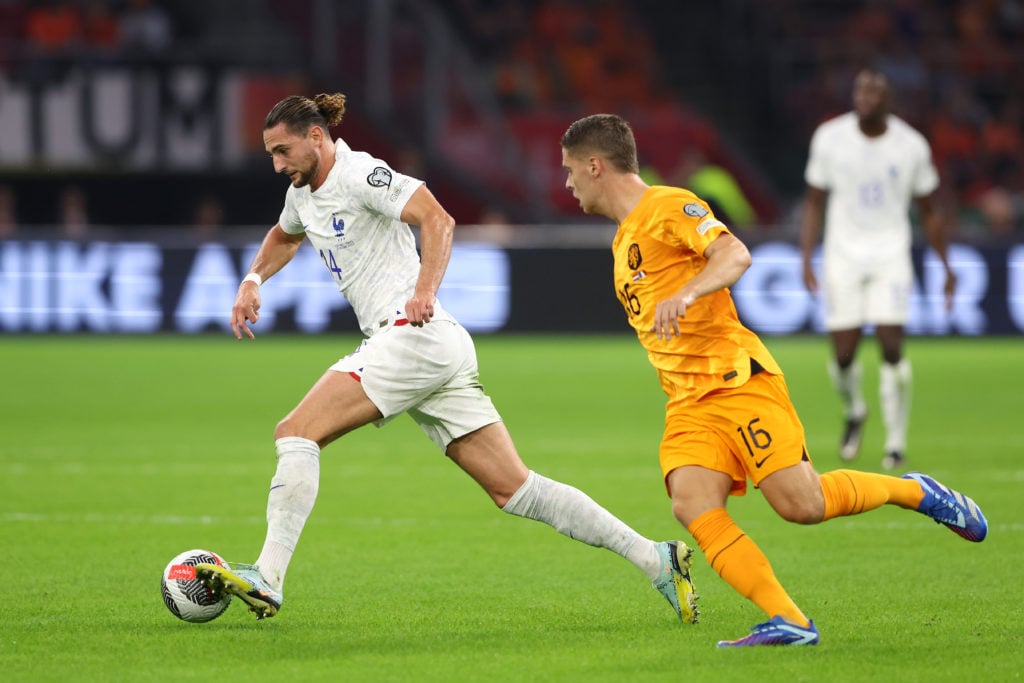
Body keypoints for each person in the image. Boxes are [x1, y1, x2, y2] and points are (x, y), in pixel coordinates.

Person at [194, 93, 699, 624]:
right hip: (432, 347)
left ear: (316, 137)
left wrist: (424, 290)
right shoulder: (303, 190)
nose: (277, 164)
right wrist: (252, 279)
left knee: (295, 432)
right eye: (271, 154)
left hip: (411, 333)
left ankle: (268, 577)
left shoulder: (361, 175)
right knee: (516, 489)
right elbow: (284, 233)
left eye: (283, 150)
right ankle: (656, 558)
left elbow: (438, 219)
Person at [558, 113, 987, 647]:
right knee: (691, 503)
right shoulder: (623, 241)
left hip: (736, 381)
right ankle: (792, 621)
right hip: (688, 401)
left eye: (571, 170)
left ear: (595, 165)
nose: (568, 183)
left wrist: (688, 294)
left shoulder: (666, 206)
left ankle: (914, 491)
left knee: (801, 506)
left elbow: (734, 252)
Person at [799, 68, 956, 470]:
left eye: (875, 91)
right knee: (844, 354)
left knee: (890, 345)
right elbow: (815, 201)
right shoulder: (830, 138)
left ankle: (896, 443)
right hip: (842, 255)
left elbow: (928, 212)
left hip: (891, 253)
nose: (865, 97)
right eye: (861, 90)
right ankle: (855, 410)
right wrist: (806, 257)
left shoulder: (911, 146)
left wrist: (946, 266)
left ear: (890, 99)